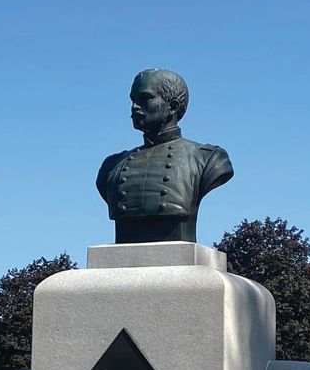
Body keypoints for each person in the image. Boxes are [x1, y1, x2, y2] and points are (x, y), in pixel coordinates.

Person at [95, 69, 235, 244]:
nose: (134, 107)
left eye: (145, 98)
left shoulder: (208, 158)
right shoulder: (112, 165)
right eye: (133, 100)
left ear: (173, 106)